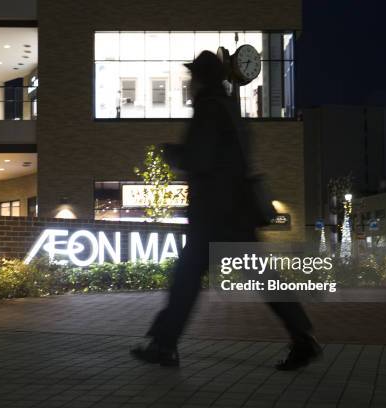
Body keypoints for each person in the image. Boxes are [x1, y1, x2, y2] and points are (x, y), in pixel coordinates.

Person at [130, 50, 322, 371]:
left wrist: (172, 153)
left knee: (187, 278)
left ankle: (164, 345)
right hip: (235, 212)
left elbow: (200, 158)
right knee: (257, 277)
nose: (190, 83)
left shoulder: (208, 108)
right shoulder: (231, 109)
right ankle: (303, 338)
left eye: (192, 77)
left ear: (201, 78)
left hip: (213, 215)